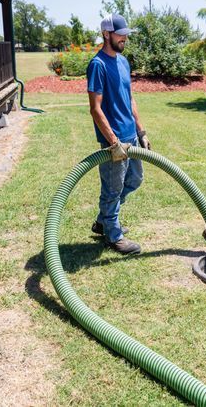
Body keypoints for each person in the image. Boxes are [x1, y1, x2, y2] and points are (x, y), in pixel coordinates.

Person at [87, 13, 151, 254]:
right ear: (106, 34)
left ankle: (104, 220)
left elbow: (130, 98)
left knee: (135, 179)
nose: (125, 38)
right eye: (120, 34)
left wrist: (141, 131)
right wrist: (113, 143)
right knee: (112, 190)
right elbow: (95, 109)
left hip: (131, 136)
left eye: (126, 34)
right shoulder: (98, 65)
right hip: (113, 140)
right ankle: (113, 236)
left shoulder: (123, 62)